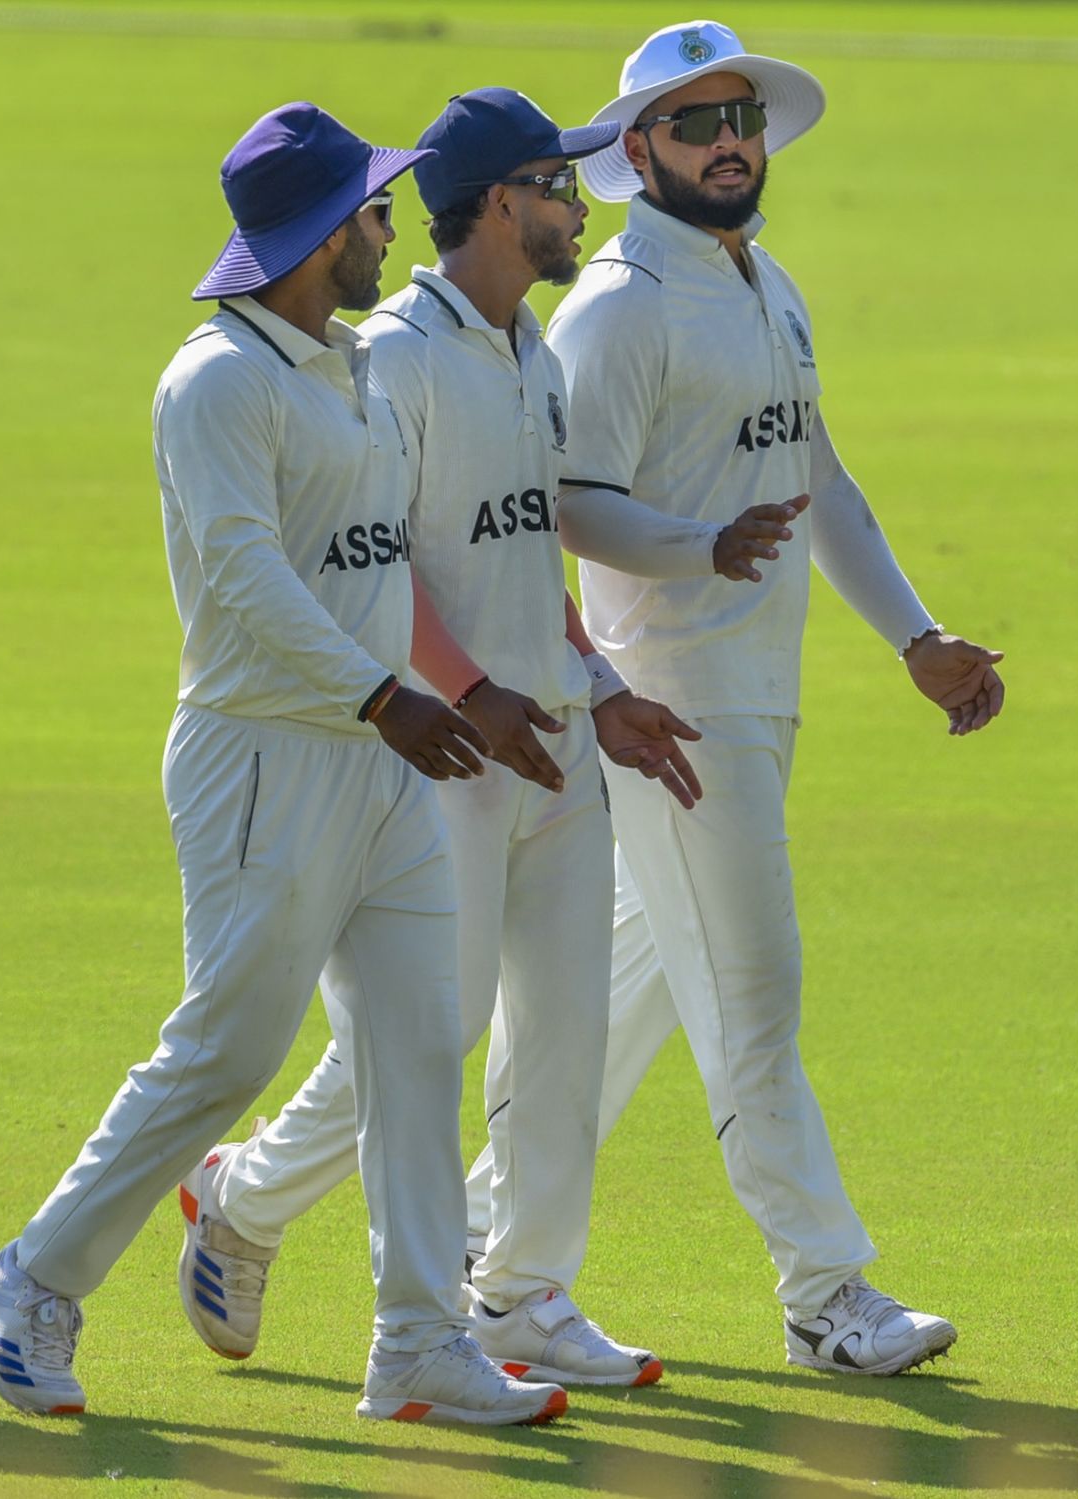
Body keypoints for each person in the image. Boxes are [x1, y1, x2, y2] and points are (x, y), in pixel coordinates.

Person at [0, 101, 569, 1427]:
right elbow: (242, 580)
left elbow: (379, 557)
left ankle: (416, 1343)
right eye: (369, 210)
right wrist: (381, 695)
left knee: (421, 1042)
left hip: (379, 762)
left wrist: (433, 693)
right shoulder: (217, 381)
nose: (390, 225)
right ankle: (30, 1281)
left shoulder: (344, 360)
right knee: (223, 1056)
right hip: (265, 762)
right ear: (313, 236)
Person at [468, 20, 1006, 1378]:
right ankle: (829, 1295)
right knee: (754, 995)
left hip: (759, 695)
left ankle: (456, 1247)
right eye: (696, 124)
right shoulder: (621, 308)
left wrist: (915, 636)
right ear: (637, 146)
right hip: (671, 704)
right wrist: (696, 549)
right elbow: (567, 503)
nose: (728, 144)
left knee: (614, 1005)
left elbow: (816, 474)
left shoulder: (763, 283)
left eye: (742, 120)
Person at [173, 89, 702, 1389]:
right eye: (559, 185)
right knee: (426, 1034)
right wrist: (469, 691)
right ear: (500, 202)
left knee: (563, 1039)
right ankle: (242, 1199)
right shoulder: (395, 356)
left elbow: (526, 565)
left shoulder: (535, 353)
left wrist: (598, 684)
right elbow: (372, 561)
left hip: (560, 741)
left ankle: (519, 1295)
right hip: (445, 758)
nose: (581, 206)